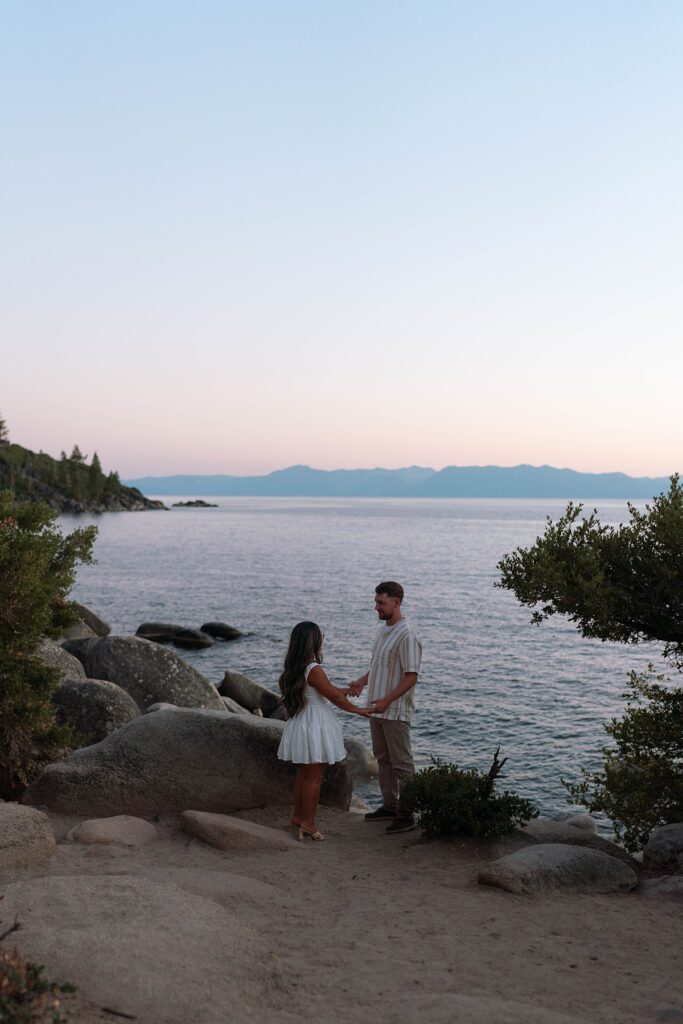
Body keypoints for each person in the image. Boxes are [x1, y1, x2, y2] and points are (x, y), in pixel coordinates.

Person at [277, 621, 370, 841]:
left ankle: (298, 818)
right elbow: (334, 697)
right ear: (313, 641)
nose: (324, 639)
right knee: (314, 778)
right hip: (315, 724)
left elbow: (328, 691)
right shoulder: (314, 669)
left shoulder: (296, 667)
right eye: (321, 636)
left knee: (305, 774)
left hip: (303, 721)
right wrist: (358, 710)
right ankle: (308, 823)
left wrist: (351, 689)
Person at [348, 581, 423, 834]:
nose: (376, 607)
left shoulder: (407, 635)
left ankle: (408, 814)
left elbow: (411, 676)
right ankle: (390, 806)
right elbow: (381, 666)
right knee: (383, 760)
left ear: (396, 602)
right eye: (376, 602)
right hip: (375, 708)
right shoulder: (383, 632)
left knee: (402, 763)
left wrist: (387, 700)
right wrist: (361, 681)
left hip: (394, 711)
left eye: (381, 603)